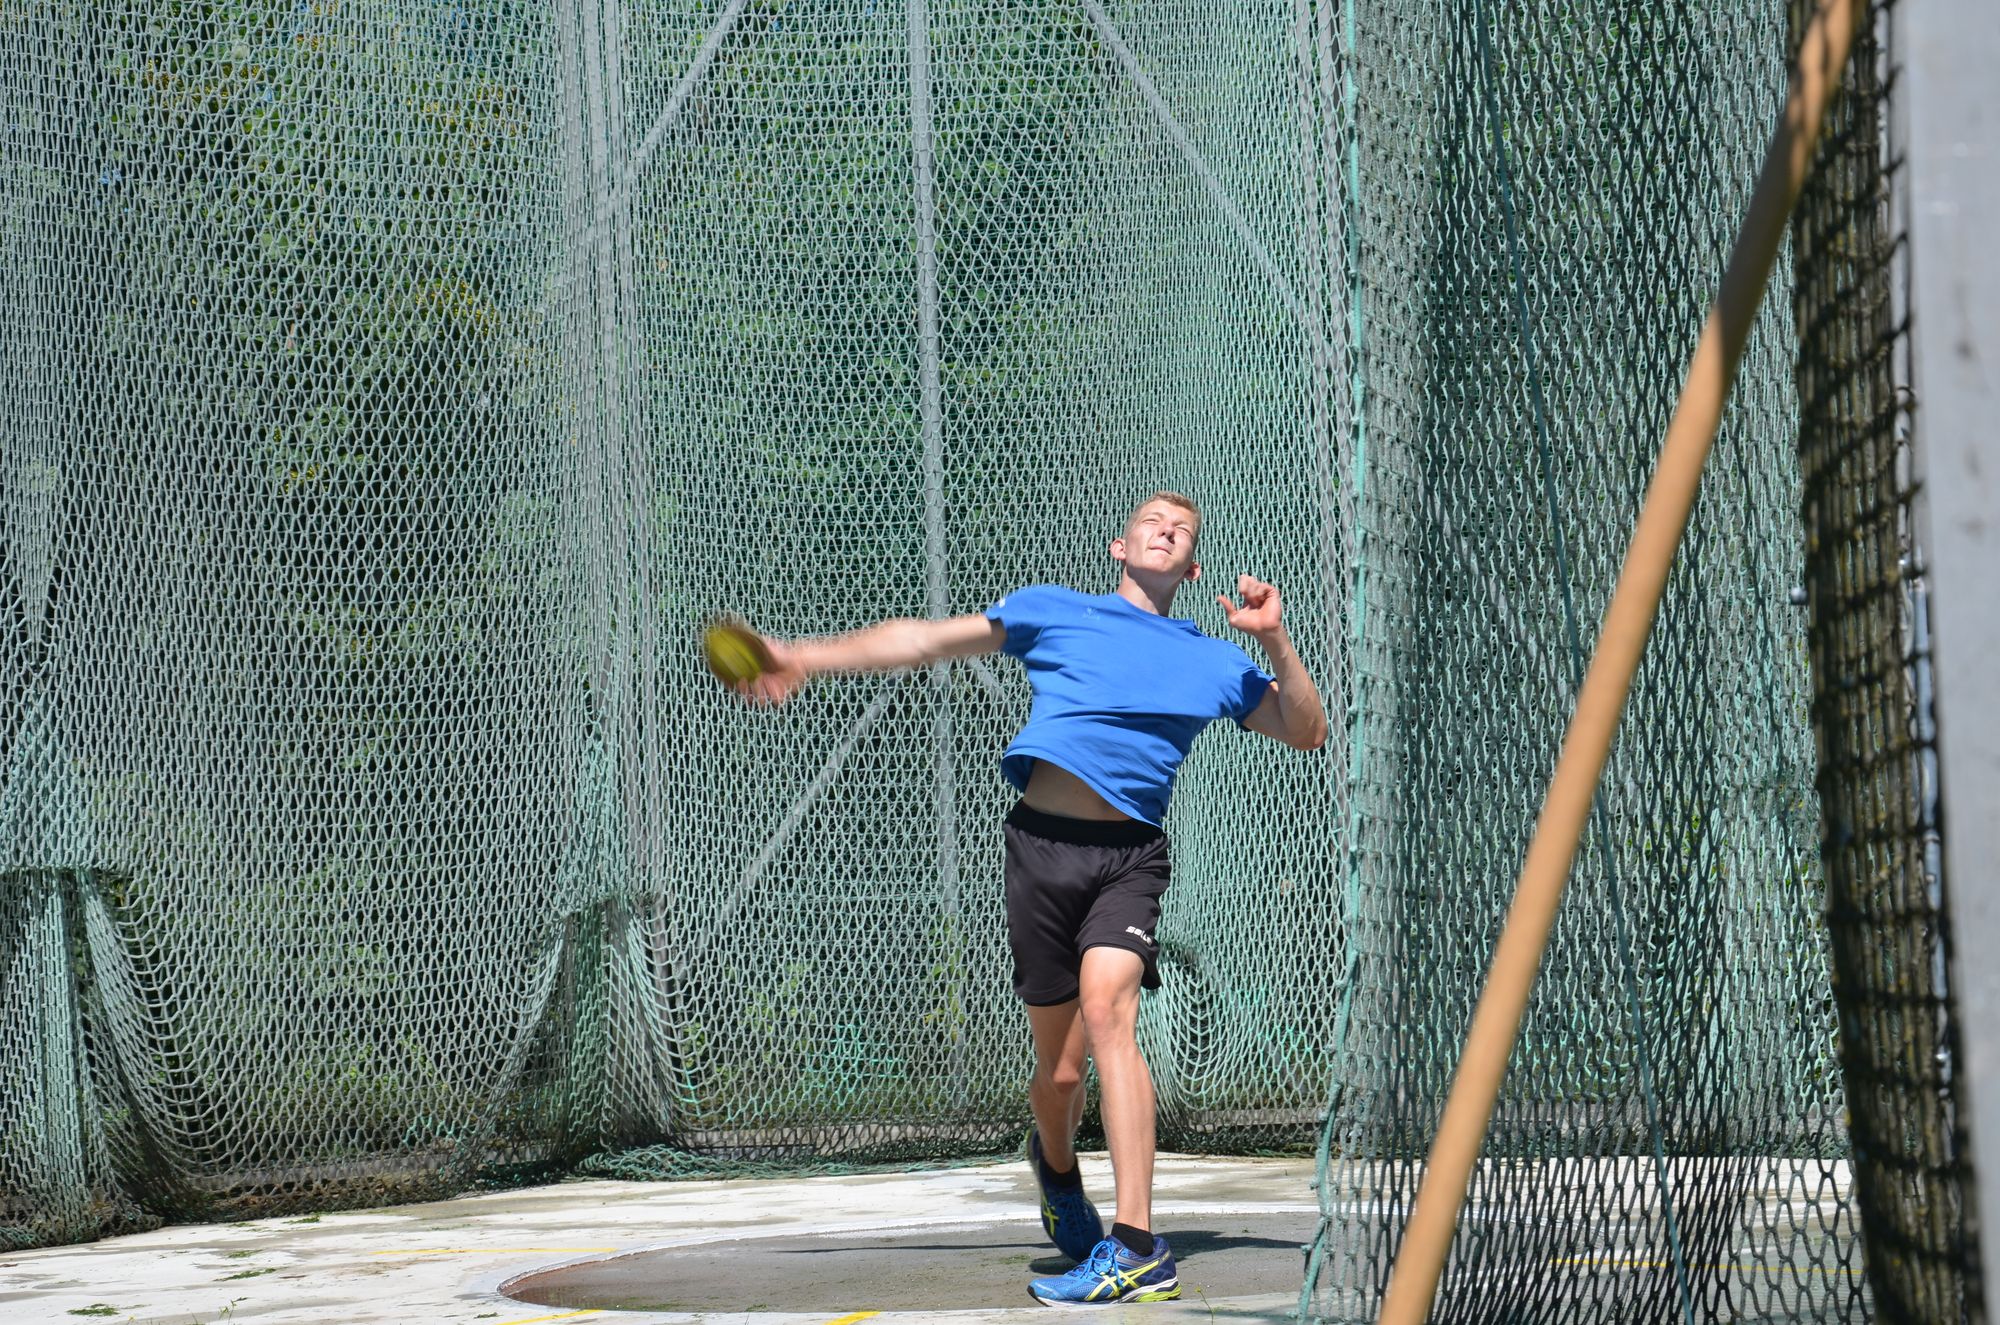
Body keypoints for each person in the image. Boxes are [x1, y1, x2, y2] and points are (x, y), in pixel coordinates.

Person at [730, 492, 1328, 1306]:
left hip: (1130, 859)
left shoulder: (1216, 661)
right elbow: (924, 638)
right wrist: (801, 654)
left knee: (1110, 1010)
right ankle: (1056, 1166)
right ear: (1121, 546)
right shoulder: (1056, 612)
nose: (1166, 531)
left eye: (1182, 531)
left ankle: (1138, 1248)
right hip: (1041, 852)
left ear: (1192, 567)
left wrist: (1275, 640)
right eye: (1153, 521)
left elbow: (1306, 729)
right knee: (1061, 1069)